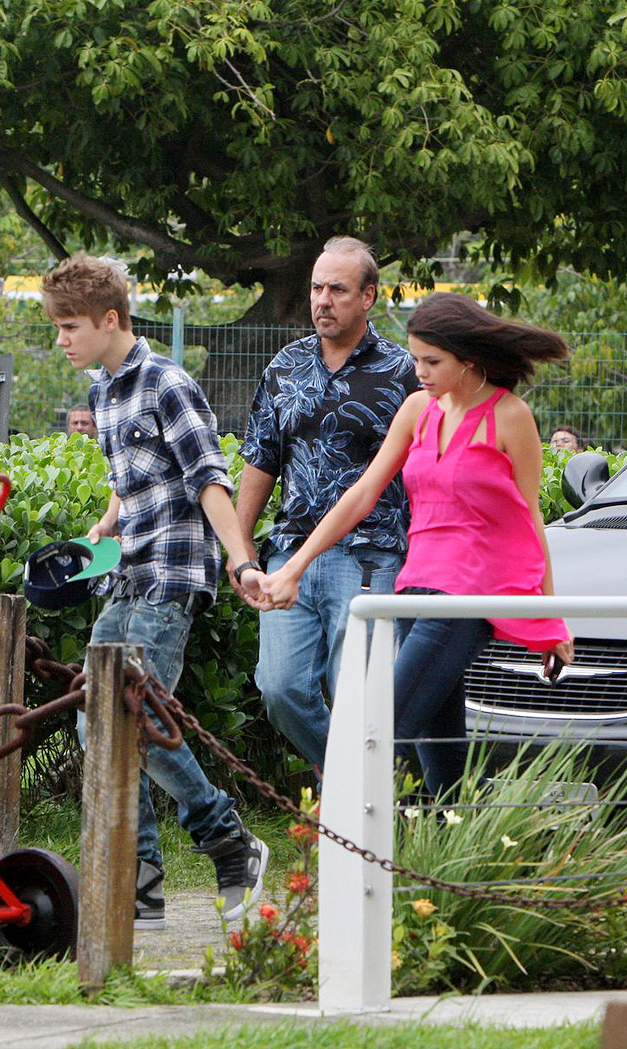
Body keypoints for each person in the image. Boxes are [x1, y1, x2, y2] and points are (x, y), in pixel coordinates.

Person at [261, 292, 575, 798]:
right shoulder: (416, 409)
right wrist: (294, 566)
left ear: (468, 361)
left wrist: (550, 615)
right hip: (415, 589)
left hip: (468, 597)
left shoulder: (510, 415)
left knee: (383, 730)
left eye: (432, 361)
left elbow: (529, 518)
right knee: (439, 748)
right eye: (415, 358)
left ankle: (376, 857)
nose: (419, 370)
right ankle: (448, 866)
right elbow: (361, 494)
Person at [40, 253, 271, 930]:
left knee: (135, 716)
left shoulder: (167, 383)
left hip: (173, 577)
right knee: (96, 719)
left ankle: (228, 841)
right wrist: (105, 525)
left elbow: (207, 477)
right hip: (126, 570)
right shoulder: (103, 391)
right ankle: (142, 880)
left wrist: (241, 560)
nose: (61, 338)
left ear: (110, 320)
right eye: (57, 326)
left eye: (70, 325)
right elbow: (131, 475)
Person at [228, 236, 417, 774]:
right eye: (316, 287)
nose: (322, 300)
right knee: (279, 689)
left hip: (368, 557)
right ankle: (357, 785)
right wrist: (240, 546)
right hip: (287, 556)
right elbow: (261, 459)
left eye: (337, 288)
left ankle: (361, 811)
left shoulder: (403, 374)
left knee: (360, 697)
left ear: (369, 296)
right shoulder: (285, 366)